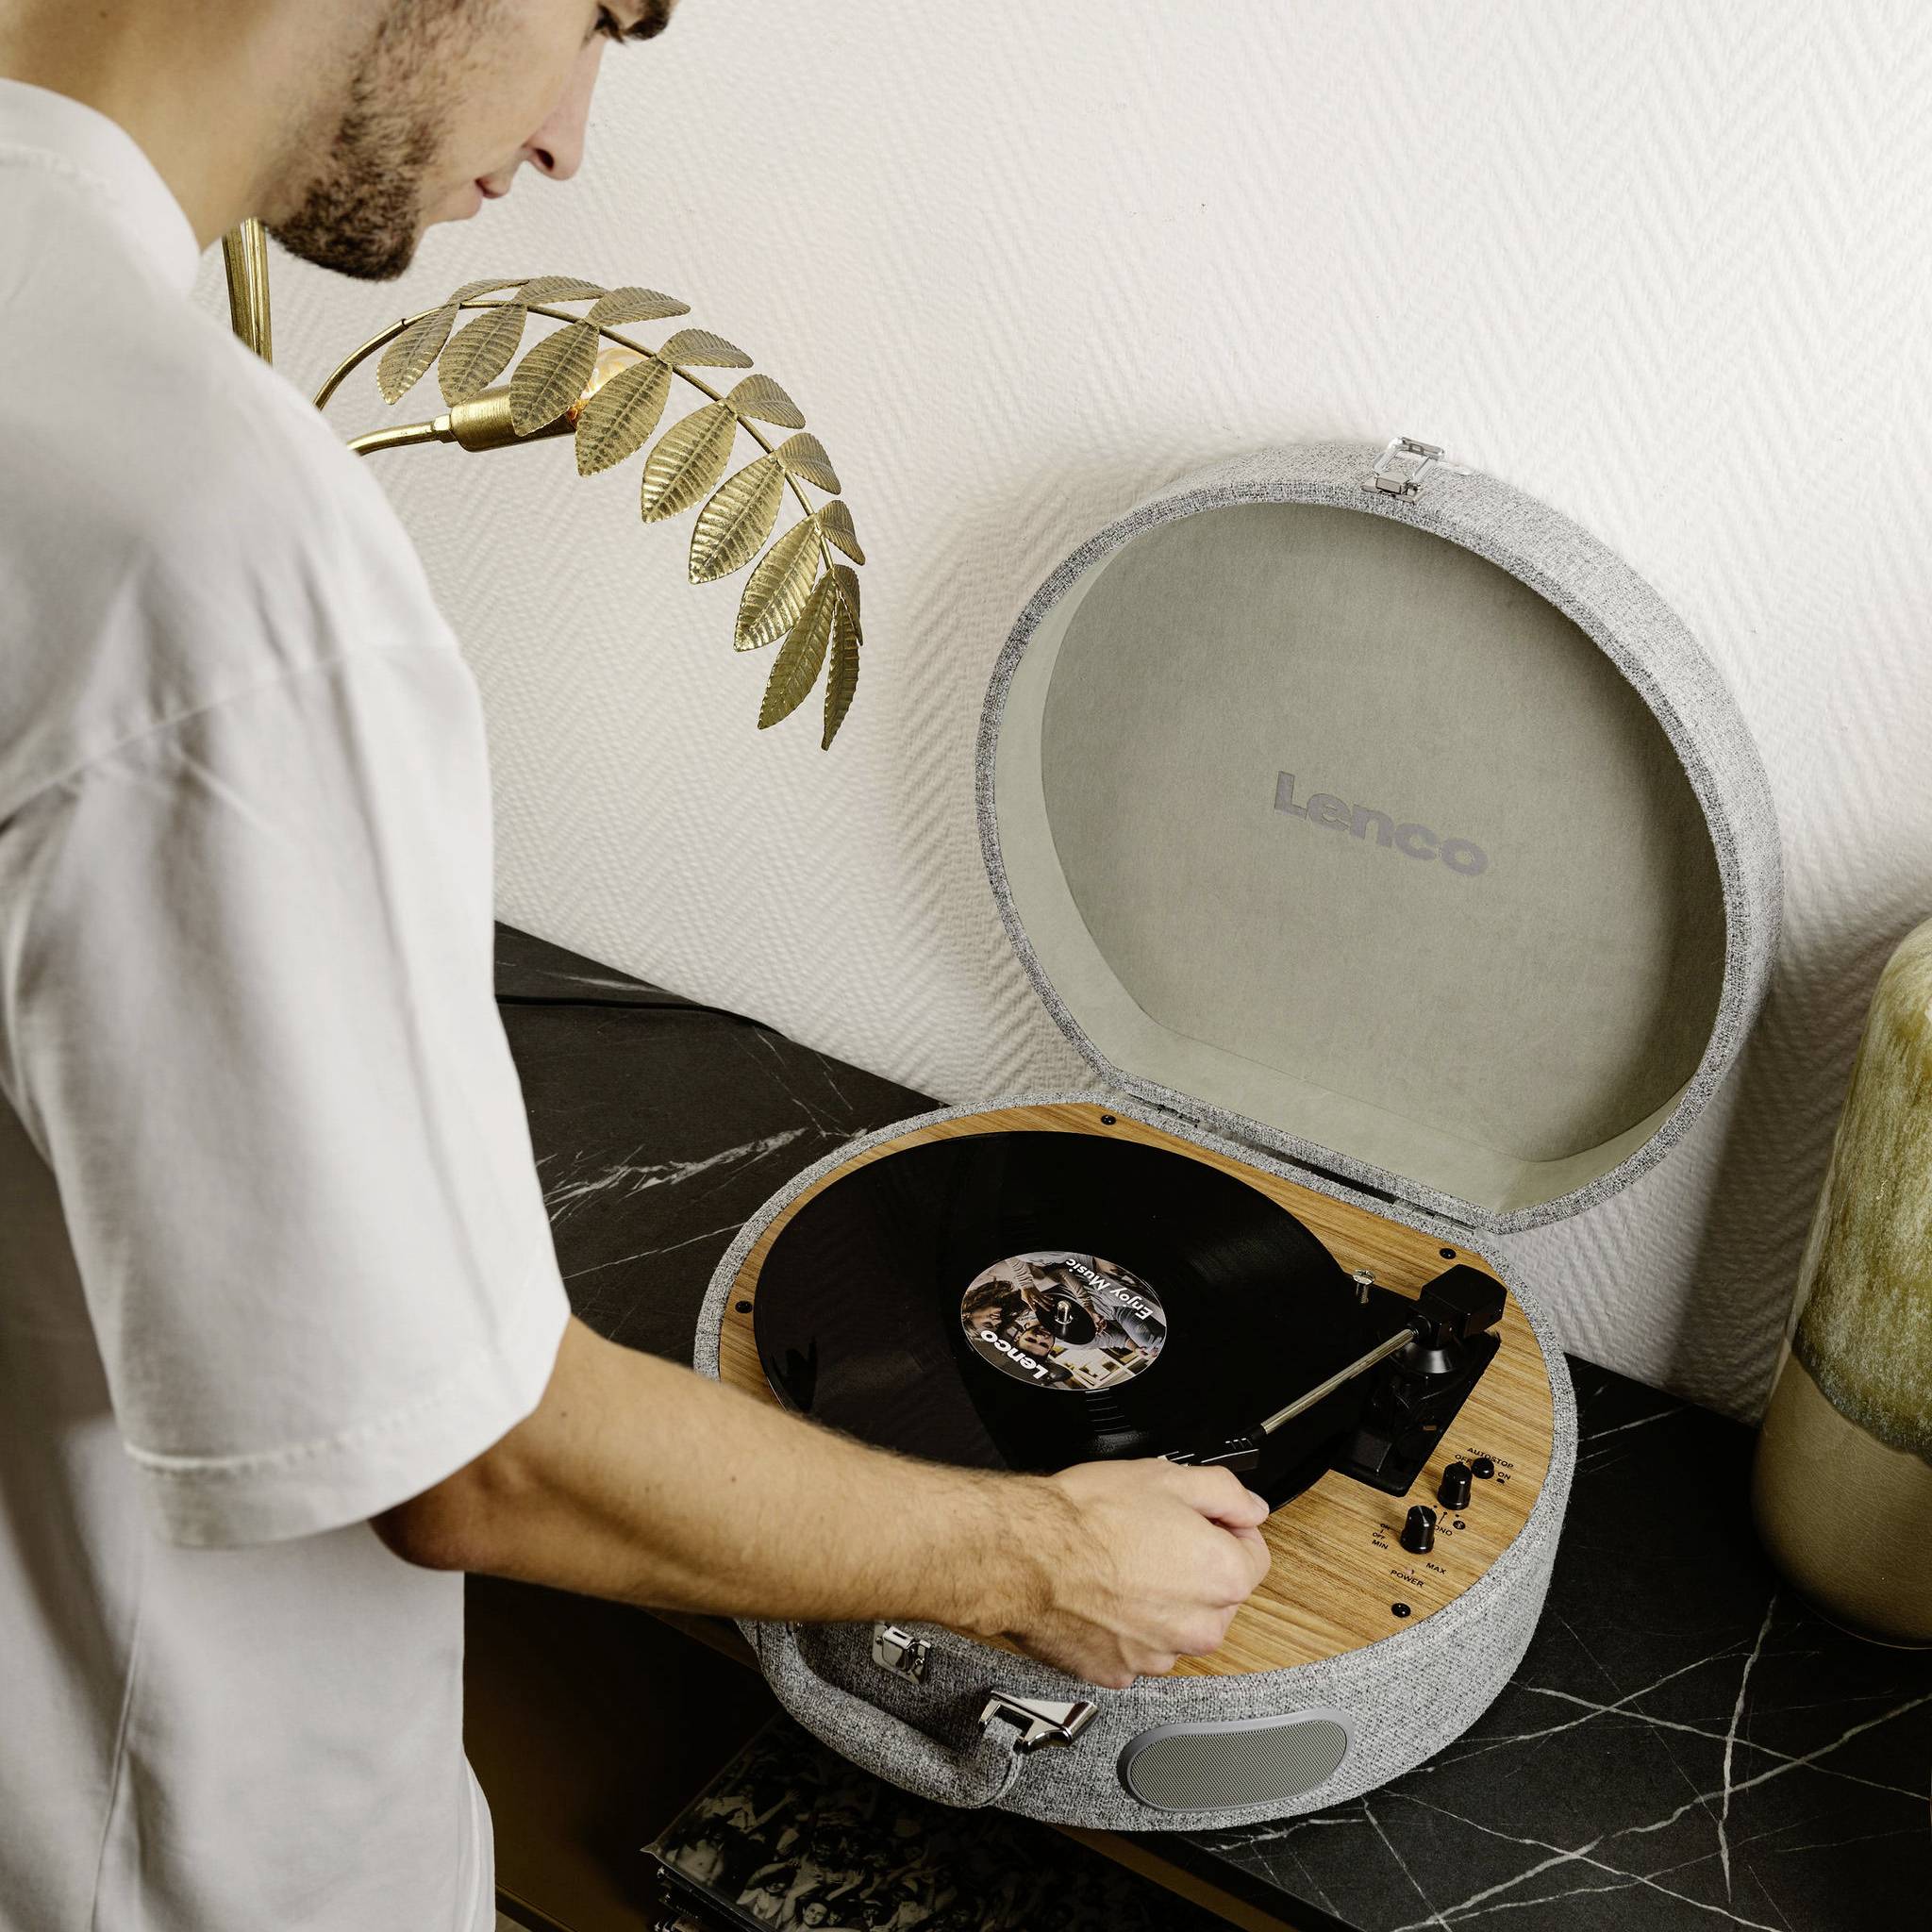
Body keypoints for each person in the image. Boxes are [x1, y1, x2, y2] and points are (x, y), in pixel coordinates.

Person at [0, 3, 1275, 1926]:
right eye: (607, 14)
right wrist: (1034, 1556)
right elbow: (477, 1462)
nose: (574, 133)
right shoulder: (213, 547)